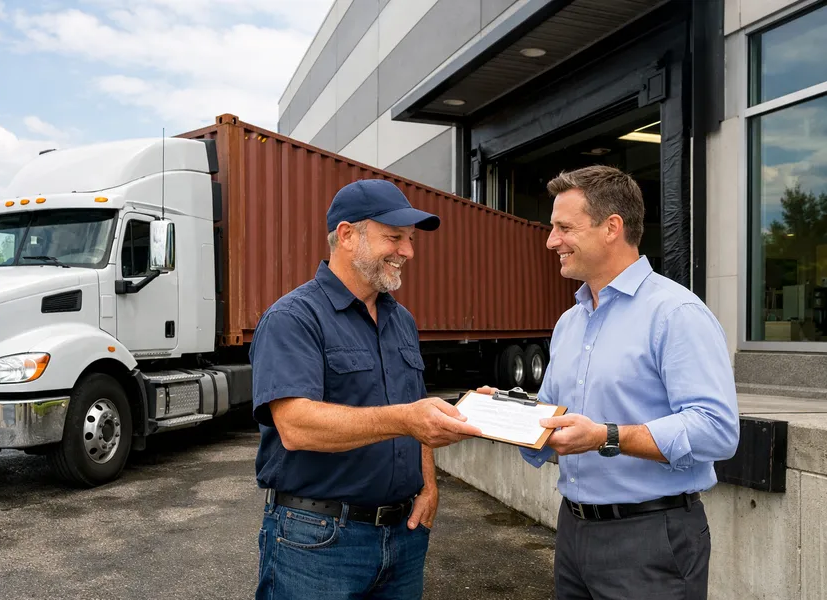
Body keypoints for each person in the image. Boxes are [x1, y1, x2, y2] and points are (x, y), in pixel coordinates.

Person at [481, 165, 739, 599]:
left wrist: (607, 437)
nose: (551, 241)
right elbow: (554, 421)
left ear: (611, 228)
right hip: (573, 532)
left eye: (564, 227)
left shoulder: (676, 314)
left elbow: (717, 429)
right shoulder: (568, 322)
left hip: (651, 538)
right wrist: (505, 416)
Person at [249, 178, 481, 599]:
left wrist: (429, 485)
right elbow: (296, 426)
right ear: (347, 235)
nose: (407, 252)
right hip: (318, 542)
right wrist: (407, 419)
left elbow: (414, 404)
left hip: (404, 536)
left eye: (410, 240)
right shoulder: (294, 318)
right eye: (394, 237)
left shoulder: (402, 320)